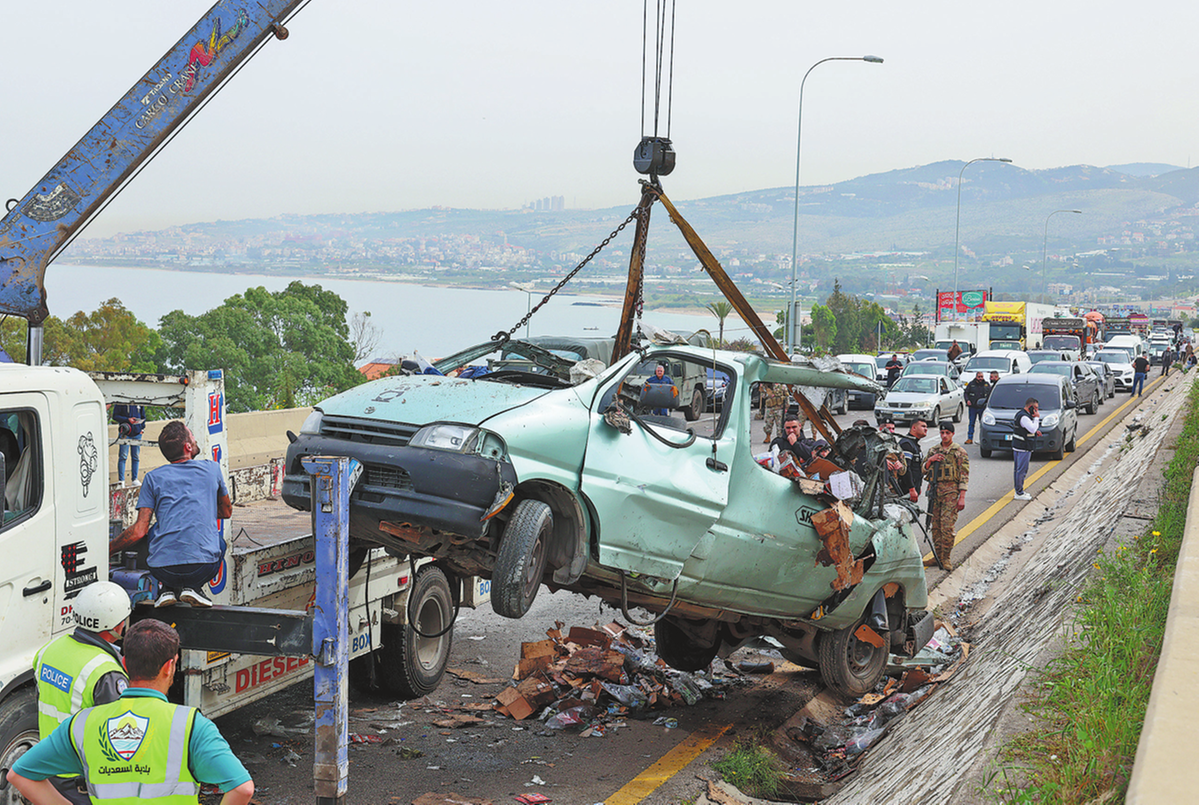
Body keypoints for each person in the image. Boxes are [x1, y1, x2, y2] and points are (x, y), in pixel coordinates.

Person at [8, 619, 254, 805]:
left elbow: (20, 775)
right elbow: (242, 789)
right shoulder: (190, 725)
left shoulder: (82, 724)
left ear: (124, 663)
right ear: (170, 667)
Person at [111, 421, 232, 608]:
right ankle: (193, 587)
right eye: (192, 436)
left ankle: (166, 588)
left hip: (162, 569)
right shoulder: (212, 469)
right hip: (202, 567)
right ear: (188, 446)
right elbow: (226, 511)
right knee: (220, 543)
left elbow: (138, 531)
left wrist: (108, 550)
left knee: (154, 530)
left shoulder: (152, 478)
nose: (195, 438)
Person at [33, 581, 131, 805]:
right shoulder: (106, 672)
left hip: (50, 764)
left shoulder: (48, 650)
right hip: (80, 778)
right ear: (118, 626)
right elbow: (118, 738)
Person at [922, 421, 969, 570]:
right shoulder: (933, 450)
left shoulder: (959, 452)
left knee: (947, 527)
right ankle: (938, 556)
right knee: (935, 526)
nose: (944, 436)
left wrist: (961, 497)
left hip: (951, 493)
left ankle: (946, 558)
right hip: (935, 493)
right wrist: (931, 460)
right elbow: (923, 469)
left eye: (947, 433)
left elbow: (964, 475)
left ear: (952, 434)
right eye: (942, 433)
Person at [1012, 398, 1041, 501]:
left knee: (1018, 470)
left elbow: (1027, 429)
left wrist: (1035, 431)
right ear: (1031, 407)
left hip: (1018, 445)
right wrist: (1037, 418)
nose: (1037, 411)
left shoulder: (1020, 414)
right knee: (1021, 470)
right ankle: (1019, 493)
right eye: (1036, 408)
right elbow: (1032, 428)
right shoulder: (1024, 417)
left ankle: (1018, 491)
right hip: (1023, 447)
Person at [111, 402, 146, 484]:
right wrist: (127, 420)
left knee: (136, 457)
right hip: (125, 432)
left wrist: (142, 428)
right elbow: (115, 416)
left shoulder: (139, 401)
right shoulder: (121, 401)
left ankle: (134, 479)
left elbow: (143, 416)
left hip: (137, 433)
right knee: (123, 456)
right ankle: (121, 480)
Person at [897, 419, 927, 503]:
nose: (926, 429)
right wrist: (912, 488)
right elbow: (906, 468)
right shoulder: (907, 444)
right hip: (905, 490)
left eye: (926, 427)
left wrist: (918, 487)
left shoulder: (914, 444)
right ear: (914, 428)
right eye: (923, 426)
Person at [963, 371, 992, 444]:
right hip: (973, 407)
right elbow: (966, 393)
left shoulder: (986, 385)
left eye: (981, 376)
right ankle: (970, 438)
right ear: (976, 377)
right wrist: (967, 400)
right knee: (971, 423)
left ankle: (982, 439)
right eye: (979, 377)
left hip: (982, 407)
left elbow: (990, 394)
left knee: (982, 424)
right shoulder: (971, 384)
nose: (980, 378)